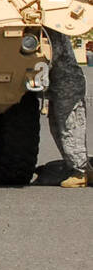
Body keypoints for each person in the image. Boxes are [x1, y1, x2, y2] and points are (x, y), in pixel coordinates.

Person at [45, 29, 88, 187]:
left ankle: (80, 172)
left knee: (70, 126)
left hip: (67, 88)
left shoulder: (53, 33)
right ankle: (75, 167)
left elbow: (50, 56)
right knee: (57, 126)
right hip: (58, 86)